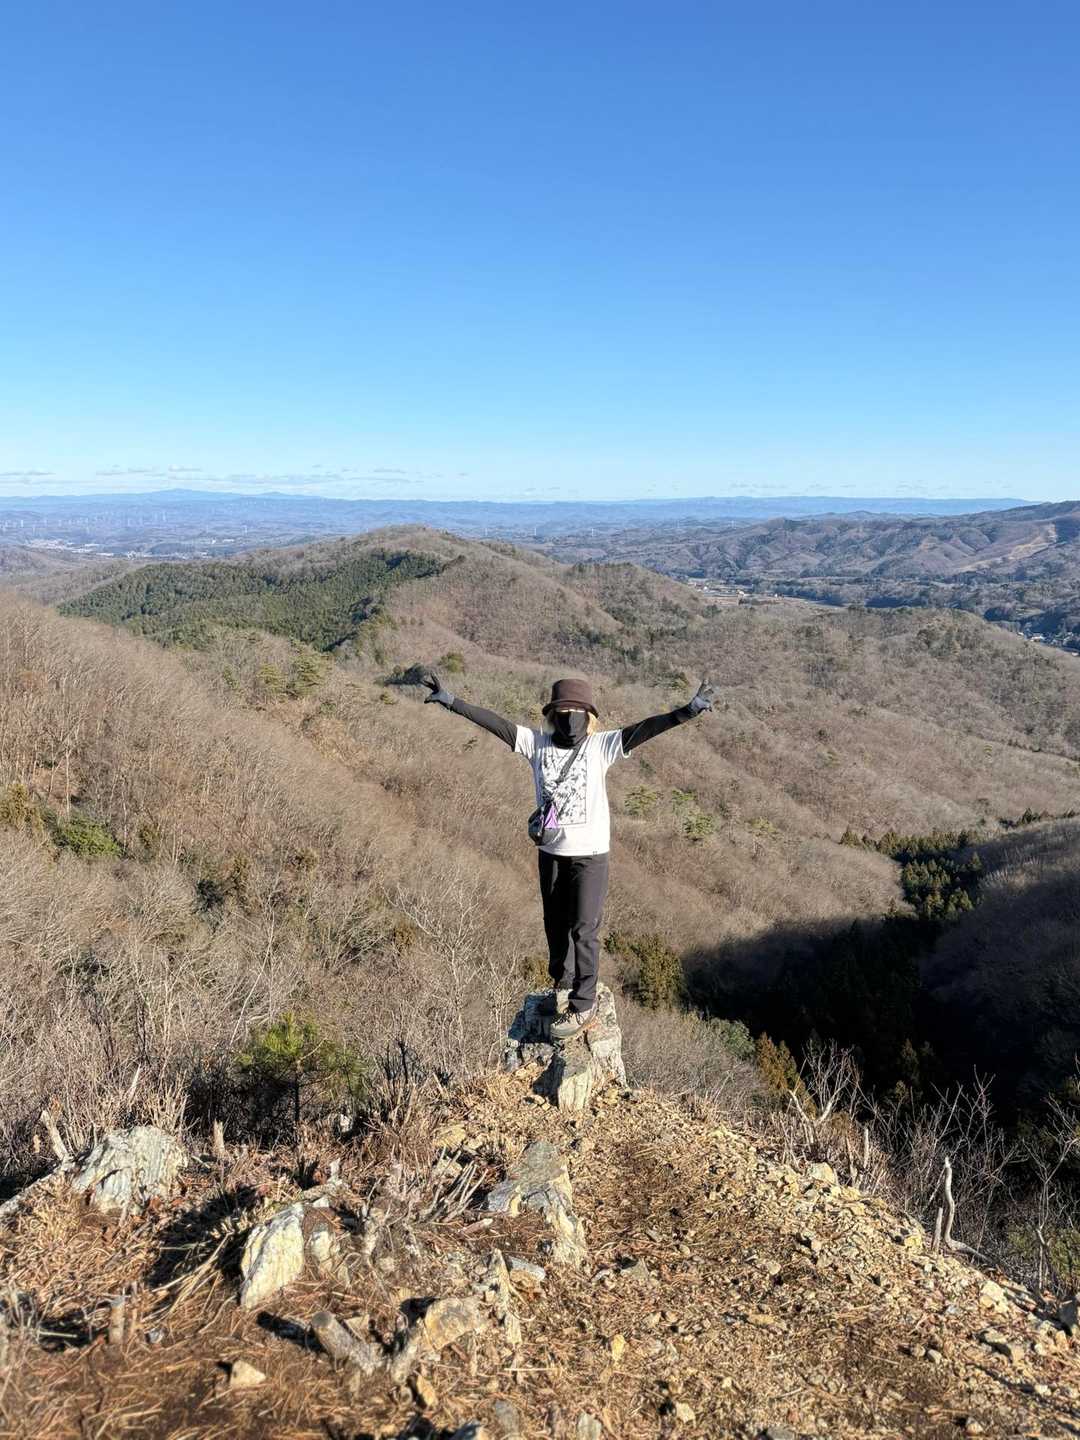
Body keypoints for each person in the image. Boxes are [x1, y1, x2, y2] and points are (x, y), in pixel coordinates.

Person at [419, 670, 715, 1040]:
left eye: (577, 711)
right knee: (555, 924)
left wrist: (687, 711)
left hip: (591, 855)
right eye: (564, 711)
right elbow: (495, 724)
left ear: (589, 716)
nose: (570, 718)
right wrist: (452, 702)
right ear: (552, 714)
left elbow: (646, 729)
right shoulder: (536, 744)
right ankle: (563, 983)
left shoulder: (601, 746)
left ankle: (583, 1003)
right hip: (551, 852)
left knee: (584, 928)